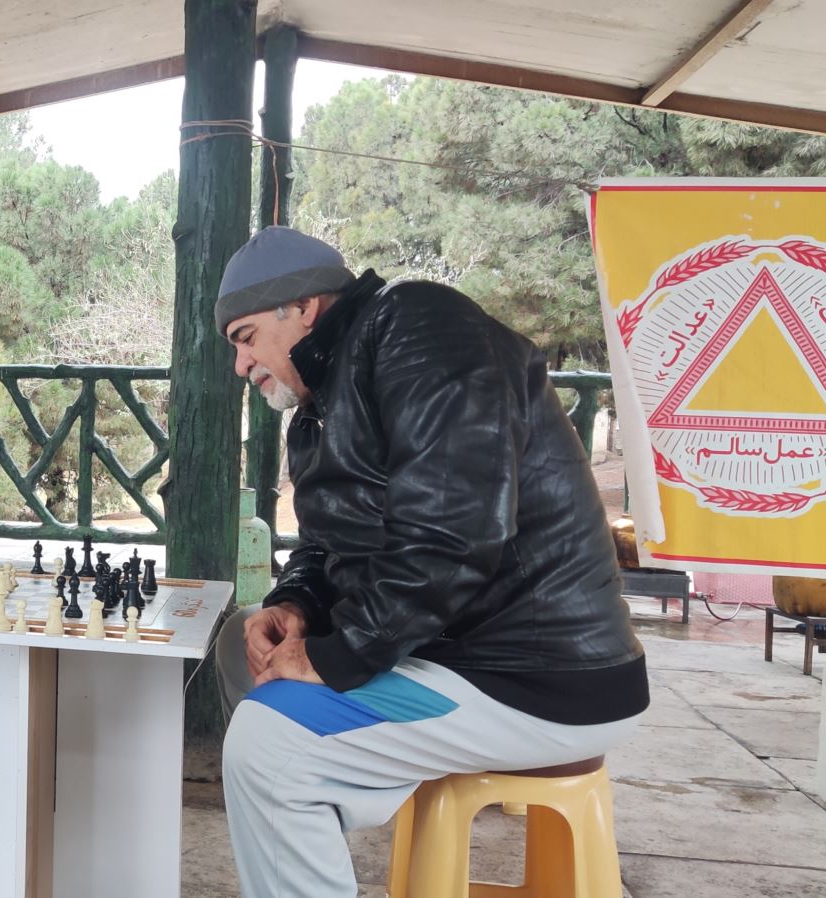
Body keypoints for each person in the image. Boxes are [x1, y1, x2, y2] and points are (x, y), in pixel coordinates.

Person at [212, 227, 648, 898]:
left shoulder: (419, 327)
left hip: (535, 674)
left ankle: (303, 785)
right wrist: (293, 604)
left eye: (245, 338)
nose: (241, 365)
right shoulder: (318, 405)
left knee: (269, 748)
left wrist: (337, 655)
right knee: (240, 647)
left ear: (302, 308)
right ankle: (313, 802)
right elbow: (325, 543)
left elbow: (454, 534)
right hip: (456, 652)